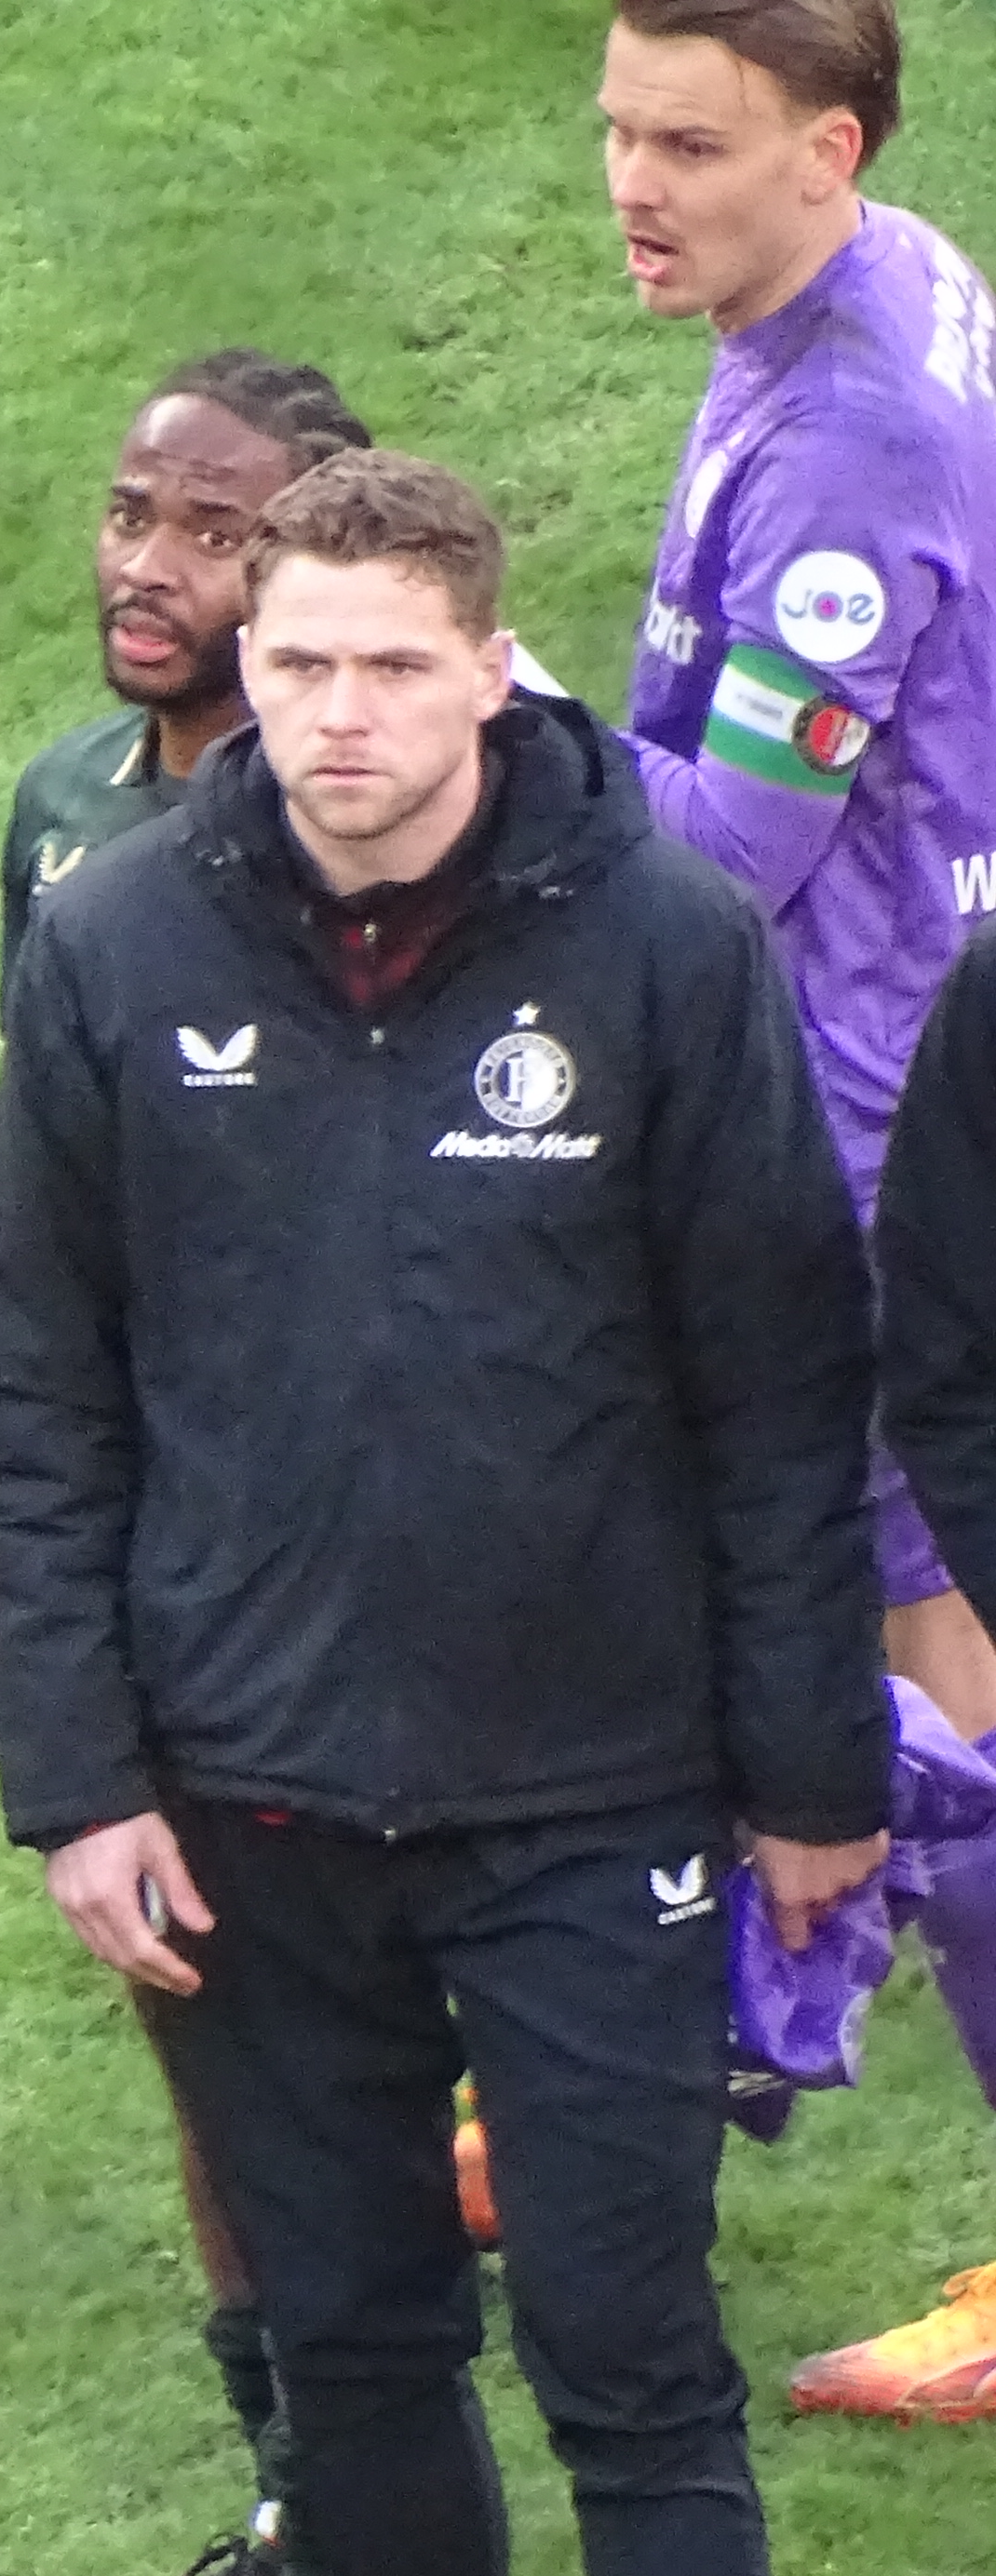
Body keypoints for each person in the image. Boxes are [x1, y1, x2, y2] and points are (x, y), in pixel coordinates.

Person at [0, 449, 884, 2576]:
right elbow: (36, 1386)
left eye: (387, 667)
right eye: (294, 670)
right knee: (354, 2355)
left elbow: (776, 1392)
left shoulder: (668, 950)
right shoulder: (121, 948)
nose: (337, 721)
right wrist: (81, 1779)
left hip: (590, 1805)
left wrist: (809, 1780)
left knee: (631, 2367)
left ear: (491, 667)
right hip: (248, 1811)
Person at [0, 355, 390, 2576]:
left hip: (345, 1571)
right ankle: (300, 2532)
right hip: (133, 1554)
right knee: (203, 2043)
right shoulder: (68, 817)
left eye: (212, 533)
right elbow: (41, 1223)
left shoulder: (370, 846)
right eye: (132, 510)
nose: (147, 562)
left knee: (337, 2082)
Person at [596, 0, 996, 2408]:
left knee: (938, 1665)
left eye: (695, 145)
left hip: (858, 1123)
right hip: (890, 1066)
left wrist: (502, 735)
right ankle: (640, 2064)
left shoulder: (846, 434)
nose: (637, 187)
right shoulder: (879, 273)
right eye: (621, 132)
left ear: (827, 148)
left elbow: (736, 850)